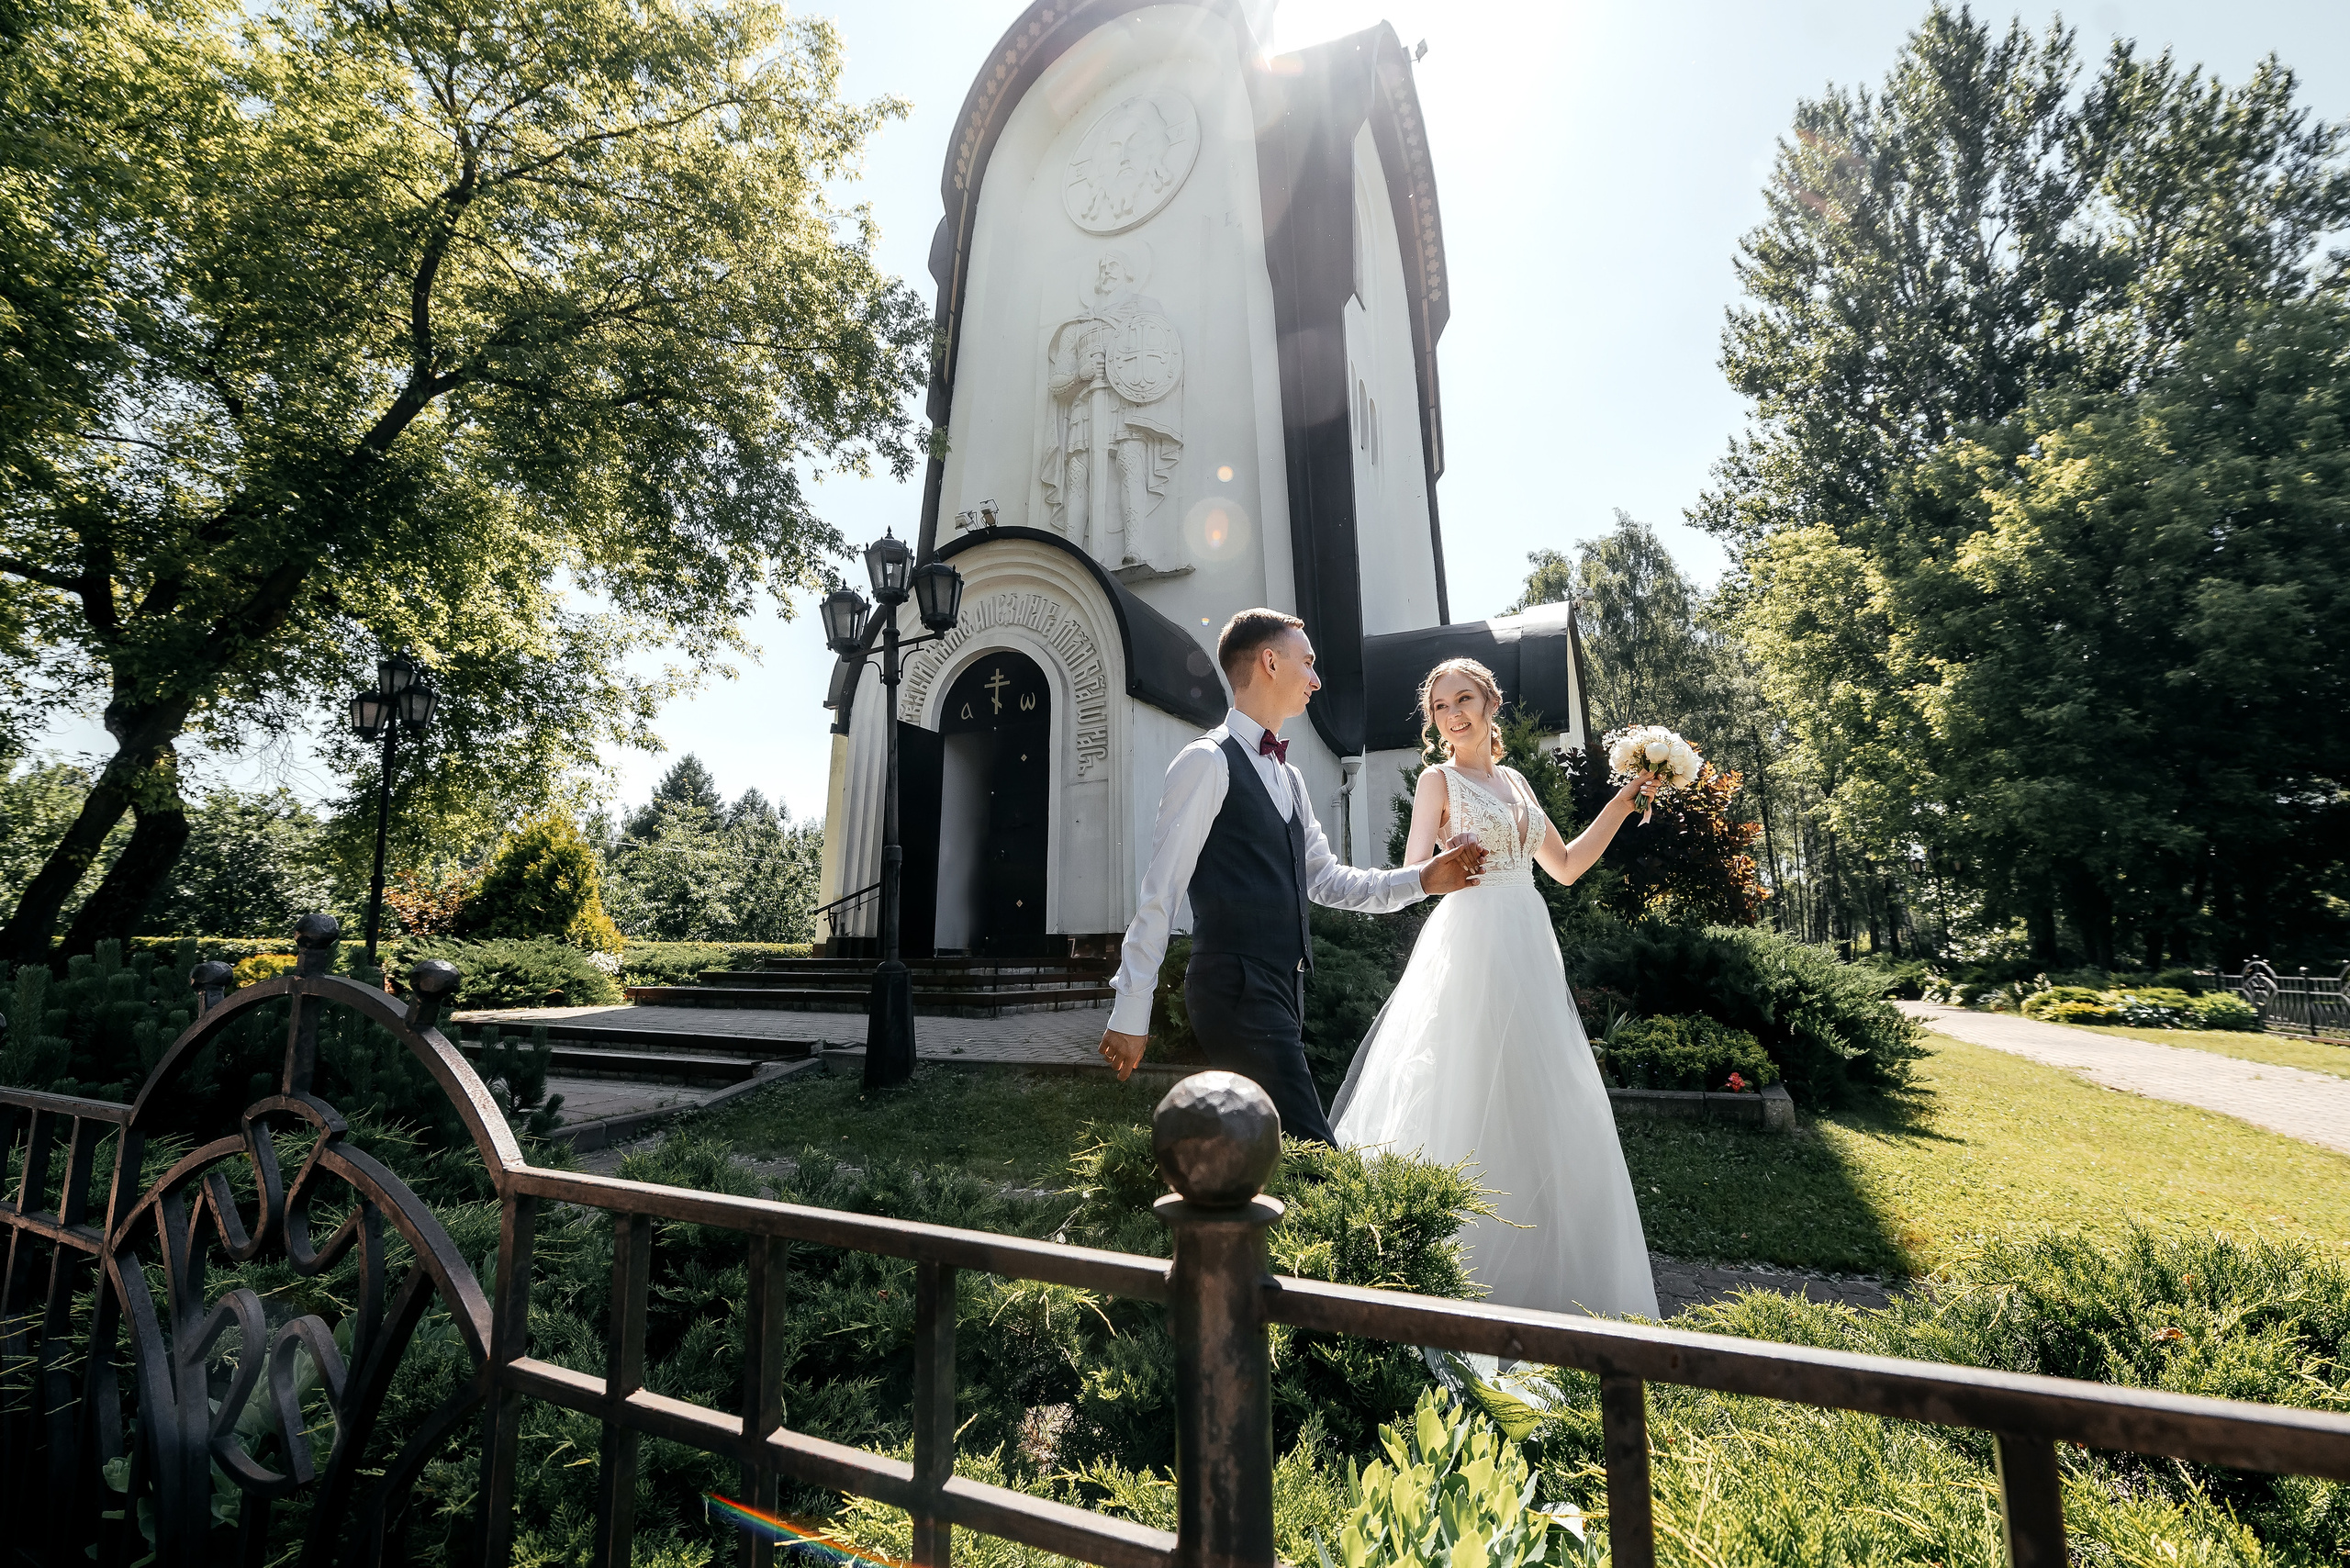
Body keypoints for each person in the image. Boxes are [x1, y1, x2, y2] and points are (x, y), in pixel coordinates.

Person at [1332, 657, 1660, 1317]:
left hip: (1529, 943)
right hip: (1472, 942)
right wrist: (1444, 862)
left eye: (1464, 699)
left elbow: (1564, 868)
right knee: (1468, 1091)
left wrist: (1622, 804)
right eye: (1441, 706)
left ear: (1490, 703)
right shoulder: (1436, 780)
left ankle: (1552, 1282)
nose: (1453, 714)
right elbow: (1412, 875)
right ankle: (1457, 1283)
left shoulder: (1515, 781)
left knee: (1542, 1099)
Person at [1098, 610, 1487, 1144]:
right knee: (1313, 1147)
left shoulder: (1290, 777)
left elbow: (1327, 880)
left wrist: (1422, 879)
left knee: (1257, 1147)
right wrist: (1131, 1007)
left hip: (1284, 986)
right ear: (1270, 662)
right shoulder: (1206, 762)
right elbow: (1160, 891)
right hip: (1235, 987)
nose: (1316, 679)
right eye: (1308, 664)